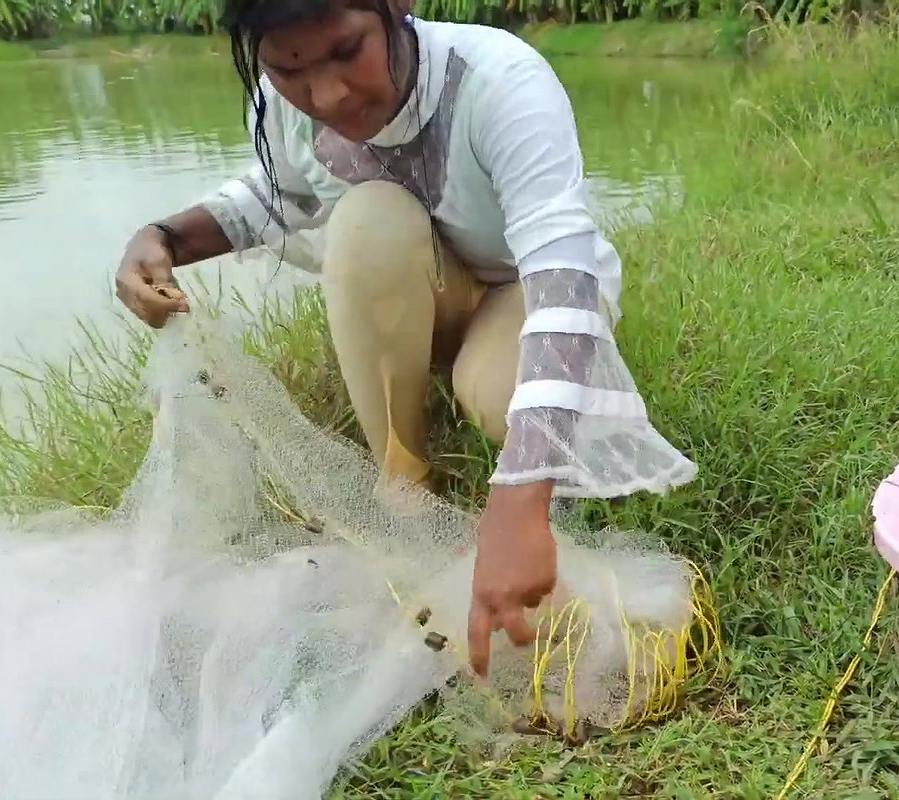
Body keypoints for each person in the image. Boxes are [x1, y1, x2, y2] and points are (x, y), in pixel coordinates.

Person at [112, 0, 696, 677]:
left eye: (346, 50)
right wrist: (161, 239)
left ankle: (486, 396)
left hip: (520, 290)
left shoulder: (498, 81)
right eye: (288, 69)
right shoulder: (284, 106)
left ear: (397, 6)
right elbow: (276, 198)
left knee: (507, 407)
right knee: (366, 217)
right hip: (425, 286)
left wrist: (519, 501)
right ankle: (405, 484)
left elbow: (561, 275)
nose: (325, 94)